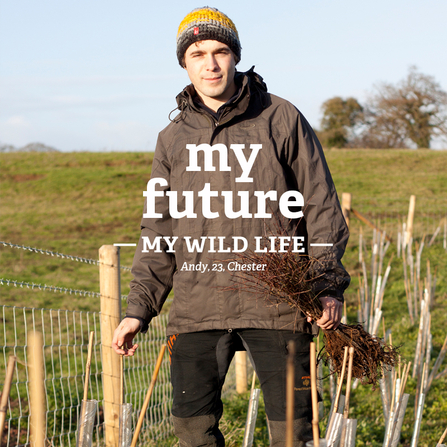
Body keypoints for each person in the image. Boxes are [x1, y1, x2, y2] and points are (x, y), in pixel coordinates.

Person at [112, 7, 350, 447]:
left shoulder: (281, 118)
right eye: (198, 53)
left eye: (220, 51)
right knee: (193, 433)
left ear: (236, 56)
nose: (211, 63)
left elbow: (321, 207)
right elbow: (158, 229)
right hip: (196, 306)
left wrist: (326, 285)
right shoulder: (173, 138)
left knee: (294, 432)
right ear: (184, 62)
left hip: (277, 301)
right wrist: (137, 310)